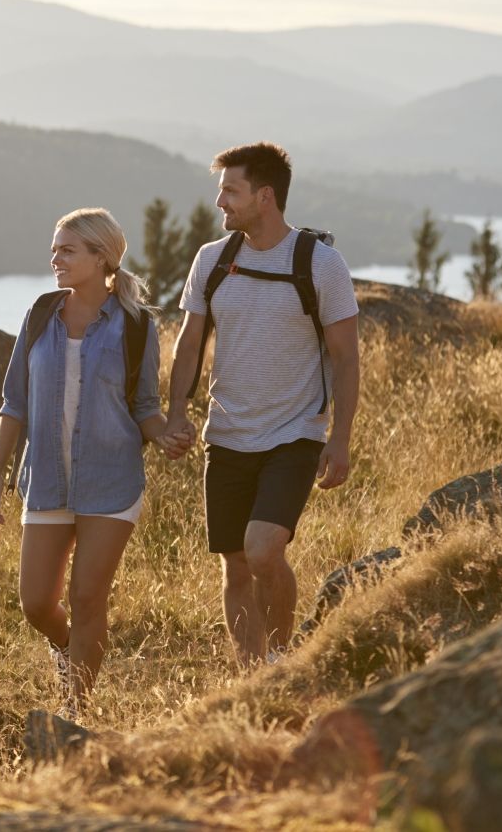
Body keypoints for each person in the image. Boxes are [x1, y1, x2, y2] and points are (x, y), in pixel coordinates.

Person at [160, 142, 360, 666]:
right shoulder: (213, 259)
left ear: (265, 197)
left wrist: (338, 440)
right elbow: (189, 341)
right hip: (225, 436)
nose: (220, 201)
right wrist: (177, 412)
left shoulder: (321, 264)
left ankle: (281, 660)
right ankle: (252, 675)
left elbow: (345, 358)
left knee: (264, 550)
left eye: (232, 190)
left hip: (295, 434)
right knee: (235, 566)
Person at [0, 207, 186, 715]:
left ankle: (77, 713)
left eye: (67, 249)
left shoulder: (136, 326)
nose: (56, 258)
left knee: (88, 597)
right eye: (55, 248)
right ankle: (71, 651)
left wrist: (165, 437)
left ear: (101, 257)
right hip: (46, 480)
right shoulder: (40, 315)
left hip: (112, 482)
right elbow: (14, 402)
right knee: (35, 604)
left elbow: (144, 409)